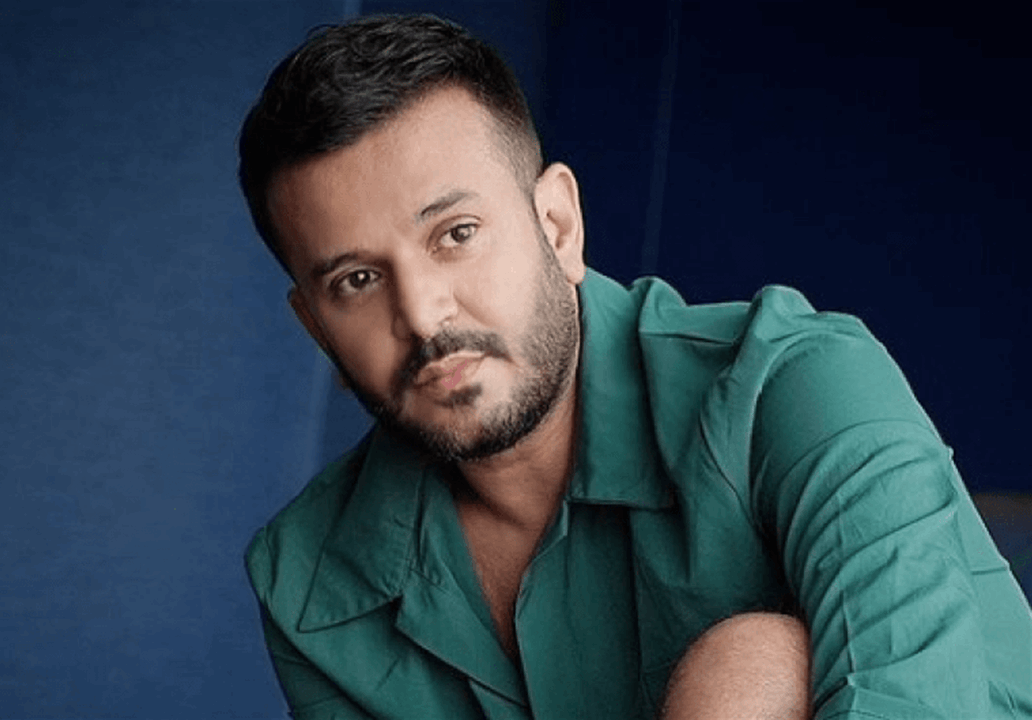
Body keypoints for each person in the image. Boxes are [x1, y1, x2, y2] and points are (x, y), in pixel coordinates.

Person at [237, 13, 1032, 720]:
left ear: (558, 225)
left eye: (457, 234)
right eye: (357, 281)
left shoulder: (796, 385)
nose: (420, 314)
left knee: (757, 664)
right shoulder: (307, 578)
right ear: (316, 327)